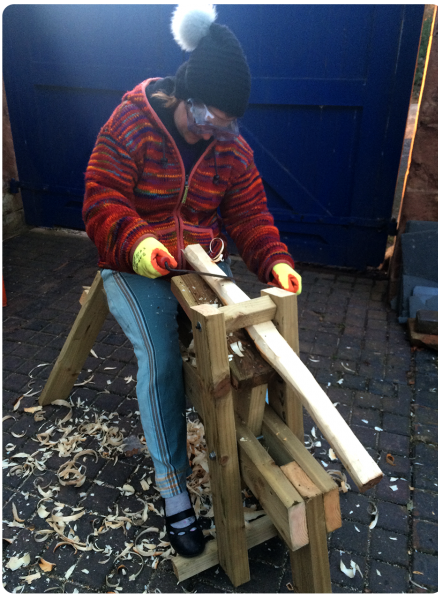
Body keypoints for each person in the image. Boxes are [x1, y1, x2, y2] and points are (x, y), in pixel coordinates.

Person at [82, 4, 302, 558]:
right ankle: (175, 493)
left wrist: (274, 259)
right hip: (134, 260)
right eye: (205, 116)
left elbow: (250, 214)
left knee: (242, 349)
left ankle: (261, 457)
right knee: (161, 361)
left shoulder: (229, 145)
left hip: (199, 262)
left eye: (225, 122)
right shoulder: (131, 123)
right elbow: (101, 197)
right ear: (183, 92)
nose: (211, 130)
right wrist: (139, 245)